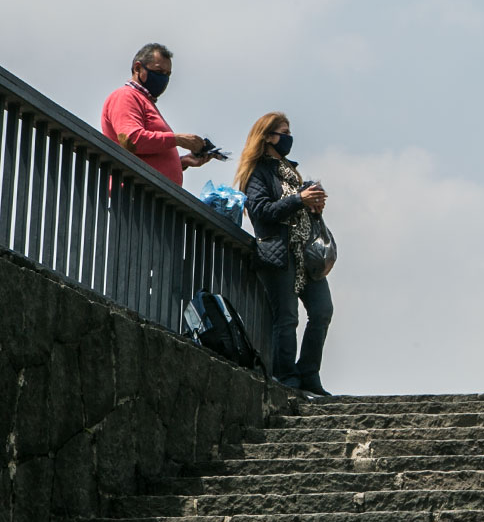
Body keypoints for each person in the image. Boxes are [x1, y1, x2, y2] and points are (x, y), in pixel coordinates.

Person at [236, 112, 334, 395]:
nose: (288, 137)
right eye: (283, 131)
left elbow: (296, 209)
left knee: (322, 310)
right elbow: (261, 212)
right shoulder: (258, 172)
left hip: (306, 255)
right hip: (279, 253)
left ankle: (309, 374)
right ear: (267, 136)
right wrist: (298, 199)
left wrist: (312, 204)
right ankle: (287, 377)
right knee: (287, 317)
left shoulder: (291, 172)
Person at [99, 43, 212, 185]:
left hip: (153, 198)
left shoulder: (145, 101)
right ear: (138, 68)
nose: (163, 79)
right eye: (159, 72)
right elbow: (131, 140)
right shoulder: (126, 96)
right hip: (134, 196)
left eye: (167, 75)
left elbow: (147, 155)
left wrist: (181, 162)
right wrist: (178, 139)